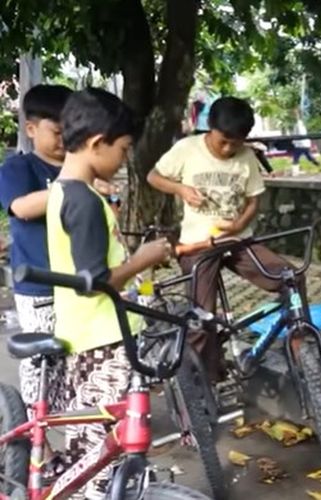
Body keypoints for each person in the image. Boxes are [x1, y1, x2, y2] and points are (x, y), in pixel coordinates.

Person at [49, 87, 172, 497]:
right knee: (106, 455)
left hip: (83, 334)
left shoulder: (64, 191)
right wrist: (145, 256)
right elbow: (95, 281)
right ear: (97, 143)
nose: (123, 160)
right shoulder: (83, 201)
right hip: (105, 338)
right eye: (122, 149)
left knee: (89, 447)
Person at [147, 96, 307, 381]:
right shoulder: (187, 149)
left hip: (238, 240)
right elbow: (153, 177)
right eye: (224, 141)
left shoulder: (246, 156)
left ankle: (300, 349)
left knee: (291, 278)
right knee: (202, 318)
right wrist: (181, 189)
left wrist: (238, 226)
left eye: (236, 142)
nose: (229, 148)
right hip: (197, 244)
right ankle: (201, 382)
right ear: (210, 127)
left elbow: (253, 203)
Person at [0, 84, 73, 415]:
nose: (64, 140)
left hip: (79, 280)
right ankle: (33, 421)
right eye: (57, 131)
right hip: (38, 285)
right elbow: (22, 207)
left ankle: (67, 413)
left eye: (71, 131)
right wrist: (74, 186)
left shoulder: (76, 168)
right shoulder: (19, 168)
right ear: (31, 129)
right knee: (40, 357)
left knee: (72, 353)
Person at [290, 108, 321, 176]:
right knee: (309, 157)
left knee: (296, 157)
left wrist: (295, 140)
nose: (293, 116)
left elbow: (300, 134)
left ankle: (295, 172)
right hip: (304, 144)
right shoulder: (300, 123)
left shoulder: (299, 123)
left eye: (295, 114)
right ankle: (320, 166)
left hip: (300, 144)